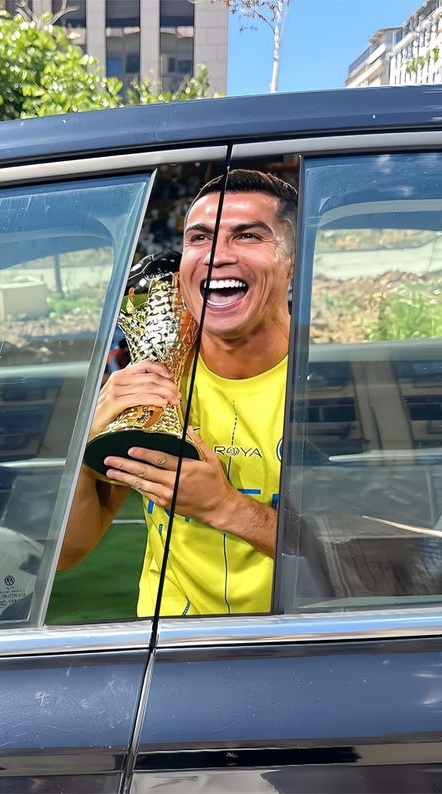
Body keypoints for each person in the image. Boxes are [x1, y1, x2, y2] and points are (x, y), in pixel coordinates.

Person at [59, 169, 297, 616]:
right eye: (200, 238)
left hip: (301, 646)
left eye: (247, 236)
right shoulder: (156, 379)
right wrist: (86, 455)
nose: (216, 256)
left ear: (293, 261)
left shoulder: (326, 382)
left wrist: (227, 508)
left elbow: (375, 560)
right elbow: (68, 554)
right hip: (171, 646)